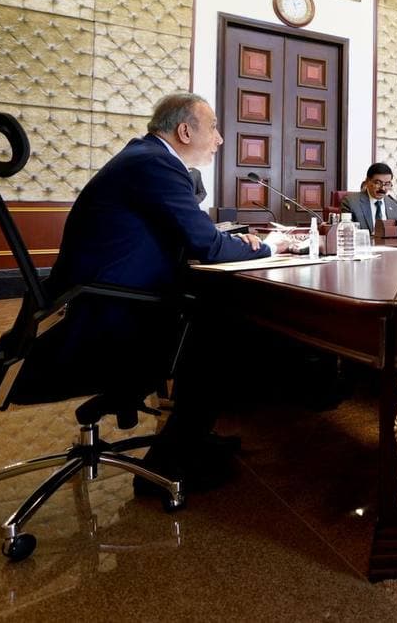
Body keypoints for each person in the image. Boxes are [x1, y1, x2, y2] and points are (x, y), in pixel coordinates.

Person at [33, 92, 284, 494]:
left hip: (97, 301)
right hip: (107, 315)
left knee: (212, 313)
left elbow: (190, 235)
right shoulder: (156, 164)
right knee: (225, 326)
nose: (220, 138)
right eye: (213, 127)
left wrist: (228, 243)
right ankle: (173, 460)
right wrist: (269, 247)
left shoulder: (145, 157)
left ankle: (193, 437)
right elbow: (208, 245)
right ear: (185, 131)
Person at [341, 163, 397, 230]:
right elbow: (346, 231)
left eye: (387, 184)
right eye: (378, 183)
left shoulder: (396, 206)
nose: (382, 188)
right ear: (367, 181)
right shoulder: (351, 203)